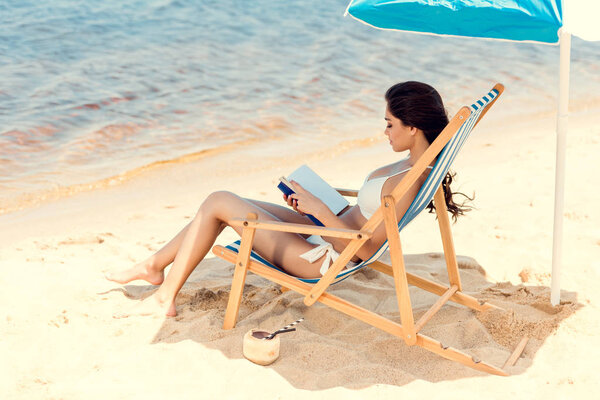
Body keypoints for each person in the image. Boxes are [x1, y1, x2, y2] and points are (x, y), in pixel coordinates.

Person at [106, 81, 471, 318]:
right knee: (226, 202)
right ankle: (155, 266)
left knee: (218, 201)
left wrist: (317, 208)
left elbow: (364, 248)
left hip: (324, 257)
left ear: (412, 127)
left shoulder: (408, 179)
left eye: (390, 123)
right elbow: (365, 218)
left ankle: (164, 292)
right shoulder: (412, 163)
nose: (385, 130)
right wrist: (318, 201)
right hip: (332, 231)